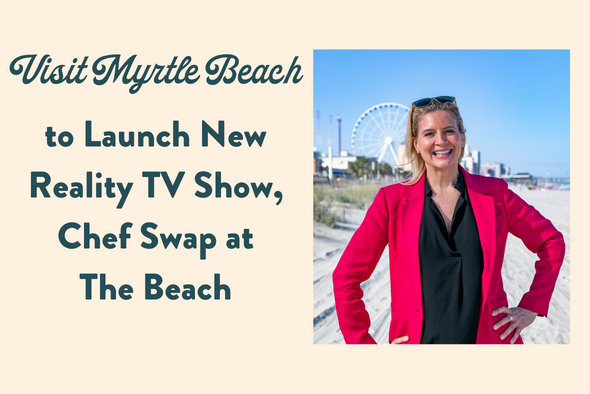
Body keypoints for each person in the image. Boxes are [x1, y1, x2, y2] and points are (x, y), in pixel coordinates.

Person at [332, 96, 565, 344]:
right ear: (416, 143)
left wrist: (532, 305)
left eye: (449, 131)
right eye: (429, 133)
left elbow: (551, 242)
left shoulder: (496, 194)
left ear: (462, 137)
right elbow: (346, 278)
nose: (440, 141)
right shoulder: (391, 202)